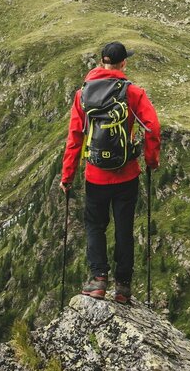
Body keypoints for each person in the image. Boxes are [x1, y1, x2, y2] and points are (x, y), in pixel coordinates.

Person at [60, 41, 160, 305]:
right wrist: (151, 161)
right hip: (126, 174)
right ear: (123, 63)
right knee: (124, 229)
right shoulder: (133, 93)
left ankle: (98, 280)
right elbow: (152, 128)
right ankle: (123, 288)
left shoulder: (82, 95)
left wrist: (67, 177)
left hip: (95, 175)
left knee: (95, 226)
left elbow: (74, 139)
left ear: (101, 62)